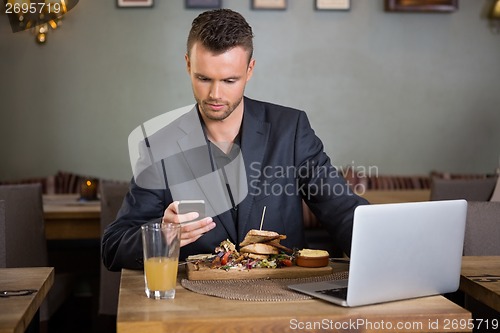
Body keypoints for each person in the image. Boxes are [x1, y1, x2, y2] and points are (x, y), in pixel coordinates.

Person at [102, 9, 368, 271]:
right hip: (195, 306)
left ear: (250, 69)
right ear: (187, 65)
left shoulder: (292, 129)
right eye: (203, 78)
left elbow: (342, 211)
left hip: (284, 300)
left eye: (230, 80)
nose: (215, 94)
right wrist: (162, 234)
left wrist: (385, 251)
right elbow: (113, 247)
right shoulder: (158, 147)